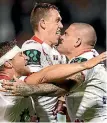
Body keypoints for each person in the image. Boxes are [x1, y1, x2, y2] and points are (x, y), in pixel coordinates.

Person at [1, 41, 106, 122]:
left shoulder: (17, 82)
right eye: (20, 55)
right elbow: (44, 75)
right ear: (8, 64)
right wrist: (84, 65)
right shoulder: (6, 86)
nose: (26, 57)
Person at [57, 23, 107, 122]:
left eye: (66, 34)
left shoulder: (84, 60)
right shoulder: (90, 57)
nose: (61, 37)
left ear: (77, 41)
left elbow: (64, 86)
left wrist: (29, 87)